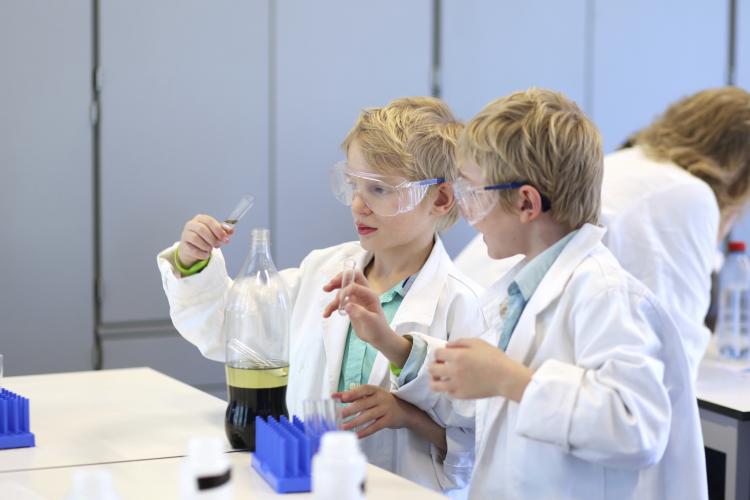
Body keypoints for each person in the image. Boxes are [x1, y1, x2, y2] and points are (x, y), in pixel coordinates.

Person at [157, 96, 484, 496]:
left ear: (442, 199)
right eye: (353, 185)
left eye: (379, 189)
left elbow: (477, 438)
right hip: (305, 486)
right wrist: (194, 261)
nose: (358, 204)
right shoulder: (321, 273)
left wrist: (408, 415)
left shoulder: (463, 304)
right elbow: (233, 330)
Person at [400, 89, 706, 498]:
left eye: (473, 193)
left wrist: (512, 381)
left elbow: (636, 425)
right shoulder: (523, 290)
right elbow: (489, 406)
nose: (466, 213)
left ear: (526, 202)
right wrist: (395, 347)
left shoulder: (605, 293)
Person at [455, 87, 750, 380]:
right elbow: (675, 357)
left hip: (478, 329)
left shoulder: (635, 164)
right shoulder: (689, 195)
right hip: (499, 343)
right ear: (740, 176)